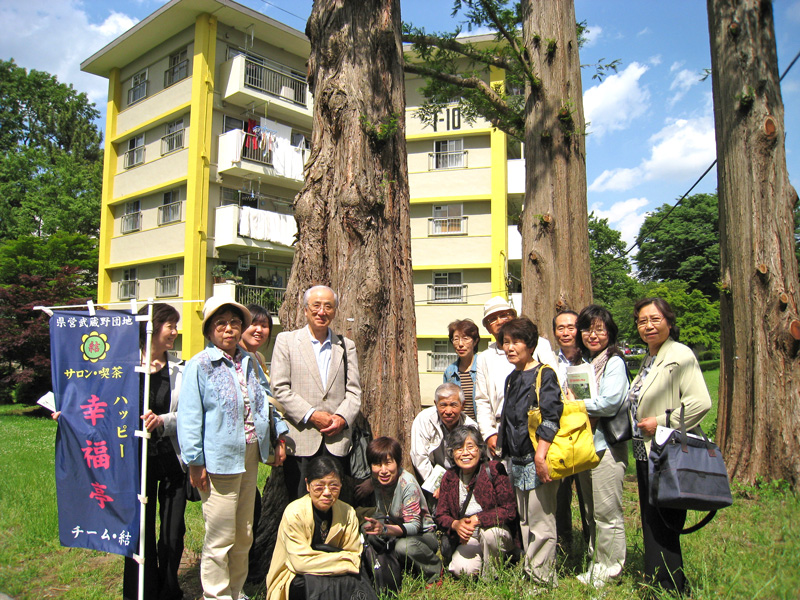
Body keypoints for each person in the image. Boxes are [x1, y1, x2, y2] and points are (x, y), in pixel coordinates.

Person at [178, 296, 288, 600]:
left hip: (250, 454)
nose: (229, 329)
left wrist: (279, 434)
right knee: (220, 535)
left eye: (235, 323)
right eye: (221, 324)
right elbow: (189, 417)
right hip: (217, 459)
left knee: (244, 533)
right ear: (210, 330)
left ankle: (235, 591)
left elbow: (267, 401)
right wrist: (194, 462)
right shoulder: (199, 365)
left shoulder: (250, 361)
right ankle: (215, 594)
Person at [629, 298, 711, 595]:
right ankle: (658, 581)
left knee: (665, 521)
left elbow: (701, 402)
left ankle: (671, 587)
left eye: (654, 319)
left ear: (669, 321)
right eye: (641, 320)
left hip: (666, 450)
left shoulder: (679, 354)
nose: (648, 325)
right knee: (652, 520)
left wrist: (662, 421)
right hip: (644, 452)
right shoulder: (649, 357)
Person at [271, 285, 362, 500]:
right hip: (301, 440)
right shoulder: (287, 341)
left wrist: (341, 418)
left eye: (328, 306)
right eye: (316, 305)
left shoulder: (346, 346)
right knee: (300, 504)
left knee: (333, 502)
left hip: (336, 441)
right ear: (305, 310)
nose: (322, 311)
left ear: (335, 311)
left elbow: (354, 391)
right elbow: (279, 388)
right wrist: (312, 415)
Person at [122, 303, 186, 600]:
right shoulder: (123, 366)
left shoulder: (179, 370)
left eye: (176, 325)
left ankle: (169, 588)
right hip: (135, 462)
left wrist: (163, 421)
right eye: (170, 325)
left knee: (172, 533)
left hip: (171, 460)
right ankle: (141, 591)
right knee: (141, 532)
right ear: (151, 326)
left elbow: (189, 415)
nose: (175, 331)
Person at [496, 317, 562, 587]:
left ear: (531, 344)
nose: (510, 347)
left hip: (538, 459)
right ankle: (531, 571)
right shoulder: (512, 378)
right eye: (506, 342)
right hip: (518, 460)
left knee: (542, 522)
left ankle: (543, 579)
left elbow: (551, 417)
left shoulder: (544, 374)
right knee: (525, 520)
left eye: (516, 341)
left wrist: (541, 455)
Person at [573, 305, 630, 587]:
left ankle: (611, 569)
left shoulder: (614, 362)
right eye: (586, 329)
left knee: (608, 513)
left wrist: (573, 405)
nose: (592, 335)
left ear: (610, 332)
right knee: (591, 512)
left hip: (607, 445)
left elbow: (609, 402)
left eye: (599, 329)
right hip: (586, 446)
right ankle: (598, 564)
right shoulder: (586, 363)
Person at [266, 456, 376, 600]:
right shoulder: (294, 512)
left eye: (333, 486)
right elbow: (300, 563)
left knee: (351, 583)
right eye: (319, 487)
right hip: (297, 576)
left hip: (334, 575)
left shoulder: (348, 513)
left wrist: (340, 561)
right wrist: (344, 560)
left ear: (341, 485)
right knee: (303, 586)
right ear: (307, 485)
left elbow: (354, 555)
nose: (326, 493)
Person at [474, 297, 558, 456]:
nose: (500, 321)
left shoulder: (539, 344)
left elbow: (556, 385)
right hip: (502, 432)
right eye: (493, 319)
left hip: (538, 432)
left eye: (504, 315)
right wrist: (489, 434)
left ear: (514, 317)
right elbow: (482, 399)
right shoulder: (484, 358)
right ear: (486, 327)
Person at [435, 425, 517, 578]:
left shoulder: (493, 470)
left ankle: (492, 576)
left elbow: (509, 509)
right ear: (452, 453)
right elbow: (441, 515)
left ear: (480, 449)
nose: (465, 453)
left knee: (490, 535)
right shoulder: (450, 477)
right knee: (462, 571)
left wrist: (477, 519)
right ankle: (482, 565)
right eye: (459, 448)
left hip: (496, 533)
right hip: (469, 539)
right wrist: (455, 524)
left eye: (470, 447)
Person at [362, 437, 442, 586]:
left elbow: (413, 527)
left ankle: (434, 571)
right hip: (394, 527)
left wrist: (385, 529)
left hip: (422, 536)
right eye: (377, 464)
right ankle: (389, 565)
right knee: (367, 530)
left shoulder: (407, 484)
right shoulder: (376, 480)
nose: (383, 470)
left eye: (388, 463)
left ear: (398, 463)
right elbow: (382, 511)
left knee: (403, 547)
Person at [551, 310, 591, 553]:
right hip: (559, 435)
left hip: (586, 433)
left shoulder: (590, 360)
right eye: (560, 328)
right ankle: (564, 544)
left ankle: (591, 545)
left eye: (571, 327)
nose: (565, 332)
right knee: (560, 494)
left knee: (589, 494)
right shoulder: (549, 360)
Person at [409, 383, 478, 502]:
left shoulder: (470, 426)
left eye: (453, 405)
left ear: (462, 405)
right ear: (436, 404)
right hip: (432, 478)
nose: (448, 411)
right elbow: (419, 456)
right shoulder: (424, 420)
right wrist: (438, 486)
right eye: (443, 405)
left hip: (462, 478)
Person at [442, 319, 481, 419]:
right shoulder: (450, 372)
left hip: (482, 428)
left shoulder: (483, 366)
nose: (460, 344)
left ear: (475, 341)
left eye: (465, 338)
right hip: (459, 429)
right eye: (456, 339)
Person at [240, 303, 274, 380]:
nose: (259, 330)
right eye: (254, 324)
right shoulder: (235, 357)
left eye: (264, 326)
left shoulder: (260, 357)